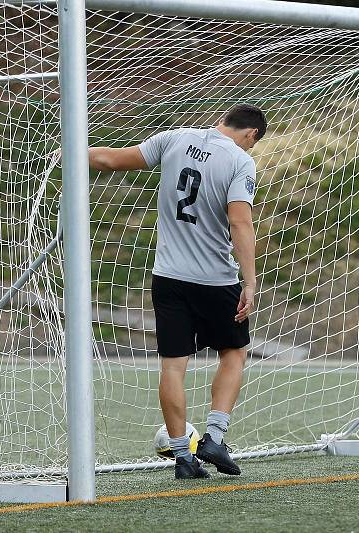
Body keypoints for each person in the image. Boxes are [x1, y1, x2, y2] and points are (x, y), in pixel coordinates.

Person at [87, 104, 267, 479]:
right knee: (233, 352)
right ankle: (214, 437)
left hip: (168, 278)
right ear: (251, 135)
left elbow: (107, 160)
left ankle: (184, 459)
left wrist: (70, 152)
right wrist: (249, 282)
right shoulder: (239, 162)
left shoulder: (173, 139)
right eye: (252, 144)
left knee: (173, 366)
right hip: (216, 279)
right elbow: (239, 220)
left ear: (223, 120)